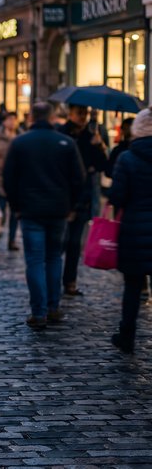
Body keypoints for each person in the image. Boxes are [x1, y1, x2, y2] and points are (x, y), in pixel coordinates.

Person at [3, 102, 85, 330]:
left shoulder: (20, 142)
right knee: (53, 258)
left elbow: (9, 178)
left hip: (30, 210)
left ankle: (39, 312)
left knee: (35, 260)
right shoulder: (66, 143)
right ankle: (53, 307)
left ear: (31, 118)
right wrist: (71, 206)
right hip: (58, 209)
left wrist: (15, 206)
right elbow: (78, 179)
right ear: (51, 118)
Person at [107, 107, 152, 353]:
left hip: (135, 230)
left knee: (133, 287)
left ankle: (127, 336)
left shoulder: (127, 158)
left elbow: (117, 197)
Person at [57, 104, 108, 296]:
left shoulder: (90, 135)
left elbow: (103, 166)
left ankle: (70, 281)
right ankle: (53, 281)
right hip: (62, 196)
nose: (83, 117)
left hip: (82, 197)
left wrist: (100, 146)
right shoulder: (61, 134)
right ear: (70, 113)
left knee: (74, 243)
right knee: (60, 243)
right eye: (80, 113)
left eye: (85, 113)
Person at [0, 111, 20, 251]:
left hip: (16, 180)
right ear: (4, 121)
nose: (12, 122)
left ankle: (11, 240)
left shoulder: (20, 137)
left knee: (14, 213)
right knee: (0, 209)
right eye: (9, 119)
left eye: (14, 119)